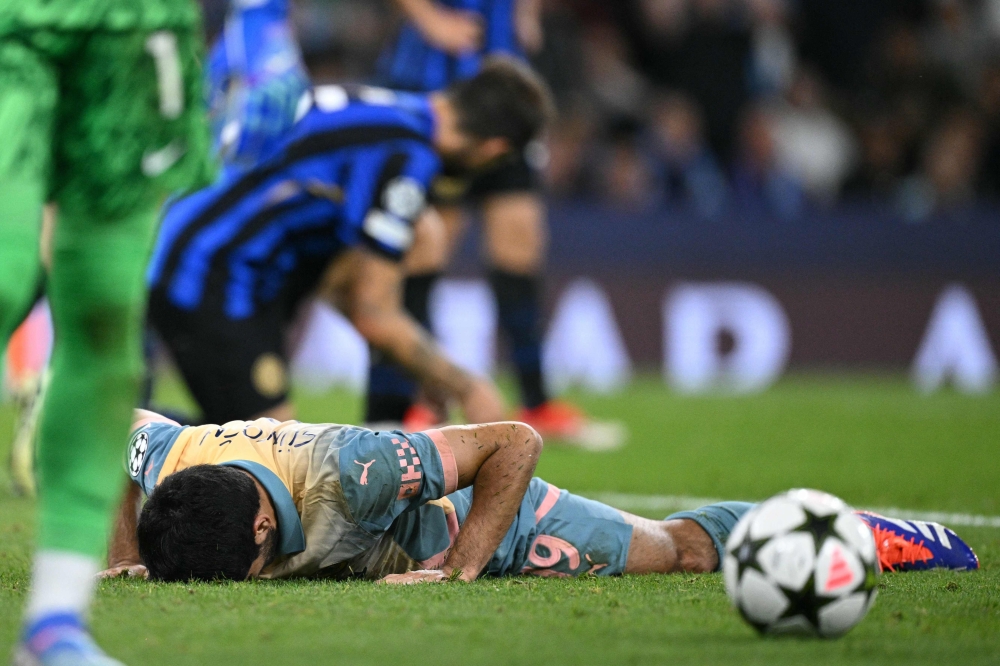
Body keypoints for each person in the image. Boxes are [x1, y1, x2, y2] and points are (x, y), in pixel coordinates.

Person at [102, 409, 979, 583]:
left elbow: (511, 441)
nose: (258, 582)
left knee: (677, 552)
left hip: (472, 522)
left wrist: (461, 568)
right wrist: (128, 554)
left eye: (254, 568)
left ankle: (866, 532)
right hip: (365, 544)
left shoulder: (355, 467)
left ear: (266, 520)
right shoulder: (172, 453)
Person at [146, 58, 553, 428]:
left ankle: (386, 422)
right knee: (271, 460)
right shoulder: (407, 155)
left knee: (423, 234)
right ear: (495, 149)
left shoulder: (387, 108)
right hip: (210, 273)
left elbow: (347, 283)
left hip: (216, 252)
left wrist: (422, 366)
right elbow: (371, 310)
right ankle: (123, 435)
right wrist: (466, 387)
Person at [0, 0, 213, 663]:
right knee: (5, 278)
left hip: (140, 36)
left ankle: (55, 622)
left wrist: (265, 31)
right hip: (18, 28)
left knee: (104, 315)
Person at [372, 0, 621, 447]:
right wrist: (430, 18)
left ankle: (536, 401)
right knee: (427, 241)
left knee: (521, 237)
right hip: (438, 89)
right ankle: (420, 402)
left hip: (505, 84)